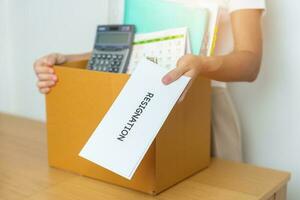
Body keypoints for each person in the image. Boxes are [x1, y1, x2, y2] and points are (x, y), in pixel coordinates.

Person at [33, 0, 266, 162]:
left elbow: (250, 63)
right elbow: (133, 46)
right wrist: (69, 61)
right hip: (141, 104)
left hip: (205, 107)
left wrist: (202, 64)